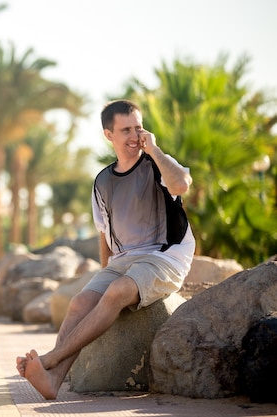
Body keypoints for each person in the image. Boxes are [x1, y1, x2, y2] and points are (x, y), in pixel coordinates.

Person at [16, 99, 196, 400]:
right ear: (108, 135)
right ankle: (52, 380)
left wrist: (155, 149)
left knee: (115, 293)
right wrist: (103, 278)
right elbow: (104, 237)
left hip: (165, 257)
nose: (134, 135)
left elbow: (180, 185)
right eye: (125, 129)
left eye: (138, 127)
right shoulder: (102, 181)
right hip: (124, 260)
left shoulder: (157, 165)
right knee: (79, 302)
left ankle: (51, 359)